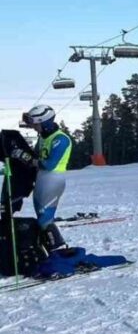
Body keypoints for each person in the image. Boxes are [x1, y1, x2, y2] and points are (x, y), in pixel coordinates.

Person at [12, 105, 71, 251]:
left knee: (45, 219)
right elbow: (37, 156)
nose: (33, 127)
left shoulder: (60, 139)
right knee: (41, 218)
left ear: (44, 122)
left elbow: (49, 164)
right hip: (42, 180)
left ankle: (57, 251)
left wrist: (26, 158)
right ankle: (47, 251)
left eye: (35, 124)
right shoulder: (44, 137)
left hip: (53, 180)